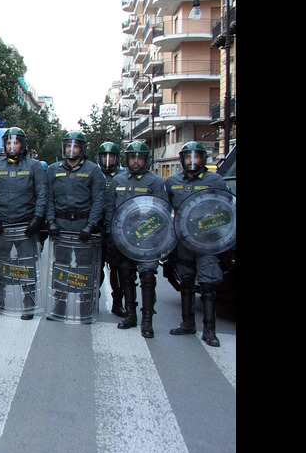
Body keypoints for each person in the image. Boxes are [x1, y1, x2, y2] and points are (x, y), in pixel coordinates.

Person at [165, 141, 229, 347]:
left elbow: (227, 209)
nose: (192, 161)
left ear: (203, 159)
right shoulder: (172, 181)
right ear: (182, 160)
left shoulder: (215, 180)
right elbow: (166, 211)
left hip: (206, 241)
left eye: (196, 157)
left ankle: (210, 330)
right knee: (186, 282)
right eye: (188, 157)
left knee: (208, 284)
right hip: (183, 241)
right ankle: (188, 323)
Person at [0, 127, 47, 317]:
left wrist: (36, 221)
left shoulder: (34, 167)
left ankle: (29, 303)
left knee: (27, 266)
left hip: (25, 226)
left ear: (22, 145)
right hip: (1, 227)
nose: (12, 146)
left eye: (16, 142)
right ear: (4, 145)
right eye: (9, 142)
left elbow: (42, 195)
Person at [105, 141, 166, 338]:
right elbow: (111, 210)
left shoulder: (156, 182)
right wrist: (111, 235)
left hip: (148, 239)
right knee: (126, 276)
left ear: (146, 160)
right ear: (127, 159)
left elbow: (162, 213)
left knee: (148, 277)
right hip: (125, 238)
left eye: (140, 158)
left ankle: (147, 320)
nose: (136, 161)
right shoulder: (118, 180)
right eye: (133, 157)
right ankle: (130, 315)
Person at [44, 131, 105, 318]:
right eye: (68, 146)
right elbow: (48, 199)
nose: (71, 149)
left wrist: (91, 226)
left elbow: (99, 201)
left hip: (83, 226)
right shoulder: (53, 170)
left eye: (75, 146)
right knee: (60, 266)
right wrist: (51, 221)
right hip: (61, 226)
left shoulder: (93, 170)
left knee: (84, 268)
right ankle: (59, 306)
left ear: (82, 149)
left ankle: (85, 308)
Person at [98, 142, 128, 318]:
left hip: (116, 229)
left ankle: (118, 302)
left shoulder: (123, 176)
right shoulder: (95, 174)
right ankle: (95, 298)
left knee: (116, 269)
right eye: (104, 156)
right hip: (98, 227)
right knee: (97, 267)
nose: (107, 160)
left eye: (111, 157)